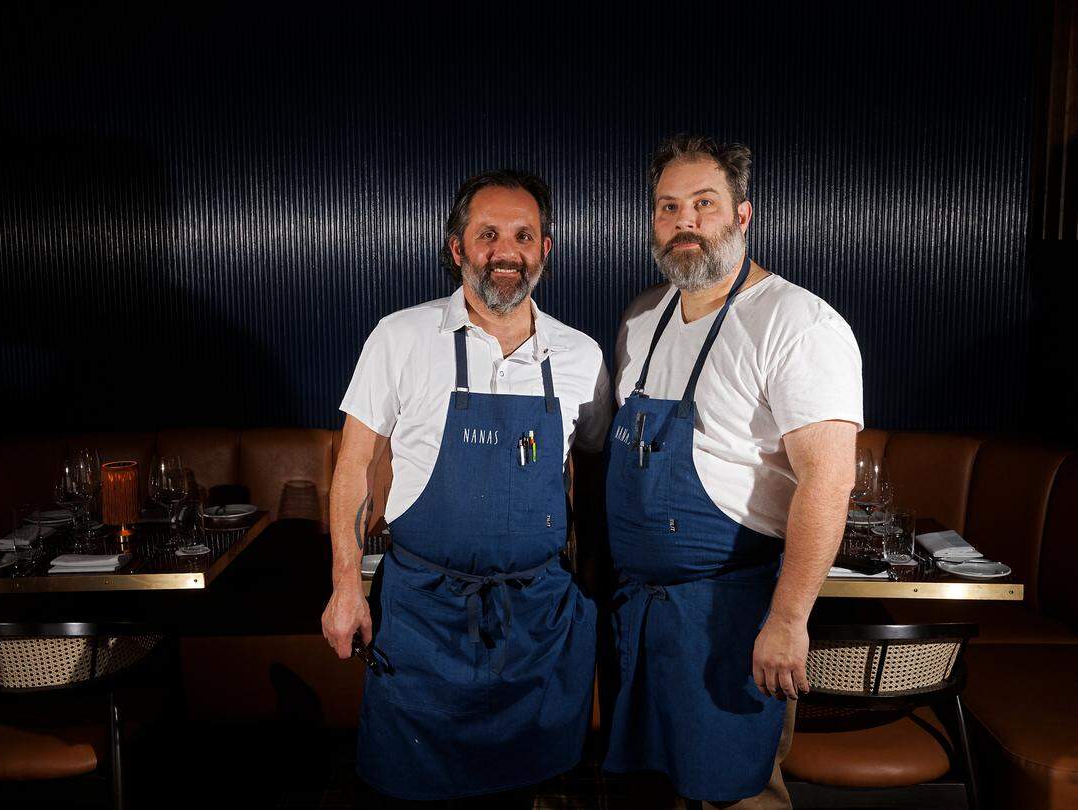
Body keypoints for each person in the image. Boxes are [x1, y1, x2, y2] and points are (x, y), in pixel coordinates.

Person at [322, 169, 611, 807]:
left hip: (536, 621)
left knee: (525, 792)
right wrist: (346, 585)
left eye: (523, 236)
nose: (505, 252)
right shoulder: (399, 337)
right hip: (422, 616)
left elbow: (591, 475)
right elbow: (351, 470)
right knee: (411, 792)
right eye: (487, 235)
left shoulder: (581, 355)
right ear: (457, 248)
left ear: (545, 250)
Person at [603, 134, 864, 808]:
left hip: (733, 617)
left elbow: (828, 484)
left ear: (742, 216)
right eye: (667, 207)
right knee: (651, 792)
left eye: (703, 203)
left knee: (739, 793)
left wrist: (788, 620)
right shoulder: (642, 317)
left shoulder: (797, 323)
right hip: (643, 616)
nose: (684, 222)